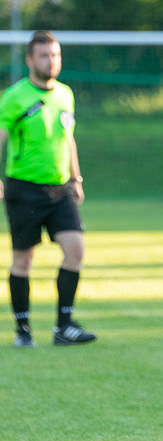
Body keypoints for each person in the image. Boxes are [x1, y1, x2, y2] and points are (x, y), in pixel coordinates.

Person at [0, 30, 96, 347]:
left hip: (61, 189)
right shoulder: (15, 96)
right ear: (30, 60)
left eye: (55, 55)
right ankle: (23, 329)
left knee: (75, 250)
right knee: (23, 261)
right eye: (44, 55)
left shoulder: (65, 94)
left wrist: (77, 178)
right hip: (24, 189)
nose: (50, 61)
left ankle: (64, 327)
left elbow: (68, 139)